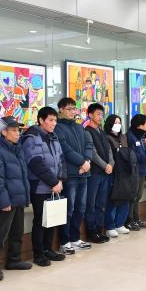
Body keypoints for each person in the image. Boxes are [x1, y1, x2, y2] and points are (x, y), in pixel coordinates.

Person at [0, 116, 33, 282]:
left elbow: (22, 175)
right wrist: (4, 201)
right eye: (13, 130)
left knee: (17, 232)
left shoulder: (17, 149)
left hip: (18, 198)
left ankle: (14, 260)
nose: (17, 133)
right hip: (5, 201)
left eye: (18, 130)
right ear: (4, 132)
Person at [20, 106, 67, 266]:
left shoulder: (53, 137)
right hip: (40, 187)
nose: (54, 123)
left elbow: (61, 159)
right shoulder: (31, 137)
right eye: (50, 120)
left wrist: (60, 179)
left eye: (55, 120)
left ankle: (48, 249)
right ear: (41, 120)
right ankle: (38, 254)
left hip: (55, 186)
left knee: (52, 219)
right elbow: (35, 163)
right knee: (40, 220)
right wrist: (54, 182)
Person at [54, 97, 93, 254]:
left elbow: (89, 144)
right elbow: (65, 149)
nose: (72, 112)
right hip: (70, 174)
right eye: (69, 109)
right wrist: (81, 162)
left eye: (74, 109)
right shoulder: (58, 127)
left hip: (83, 173)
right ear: (61, 109)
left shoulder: (79, 127)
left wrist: (87, 161)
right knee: (68, 209)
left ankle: (75, 238)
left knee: (80, 208)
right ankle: (64, 241)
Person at [84, 103, 114, 243]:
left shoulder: (102, 132)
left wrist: (111, 164)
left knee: (101, 204)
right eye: (98, 114)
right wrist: (105, 165)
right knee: (91, 203)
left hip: (105, 173)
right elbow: (93, 153)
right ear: (90, 115)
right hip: (94, 173)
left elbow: (109, 150)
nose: (100, 117)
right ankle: (92, 232)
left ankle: (99, 230)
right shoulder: (87, 131)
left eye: (102, 114)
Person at [103, 114, 136, 237]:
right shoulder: (106, 137)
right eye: (115, 122)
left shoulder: (123, 137)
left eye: (119, 122)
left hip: (125, 171)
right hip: (113, 171)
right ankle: (110, 226)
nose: (118, 125)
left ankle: (120, 223)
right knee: (113, 198)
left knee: (125, 197)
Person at [125, 114, 146, 231]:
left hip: (142, 170)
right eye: (145, 124)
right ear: (139, 125)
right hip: (134, 170)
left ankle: (136, 219)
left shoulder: (141, 136)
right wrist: (145, 158)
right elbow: (132, 154)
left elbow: (145, 149)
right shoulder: (130, 136)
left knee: (138, 196)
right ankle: (129, 220)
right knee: (133, 196)